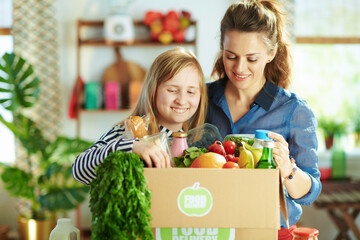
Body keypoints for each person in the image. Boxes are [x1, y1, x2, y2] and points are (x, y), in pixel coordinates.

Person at [206, 0, 321, 239]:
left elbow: (310, 192)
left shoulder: (293, 110)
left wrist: (288, 169)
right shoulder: (201, 99)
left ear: (271, 54)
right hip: (212, 229)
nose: (239, 67)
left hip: (270, 232)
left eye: (251, 59)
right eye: (231, 56)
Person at [73, 47, 207, 185]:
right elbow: (79, 170)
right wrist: (131, 147)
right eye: (172, 90)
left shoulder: (196, 144)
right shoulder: (128, 133)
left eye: (191, 92)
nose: (182, 100)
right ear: (152, 90)